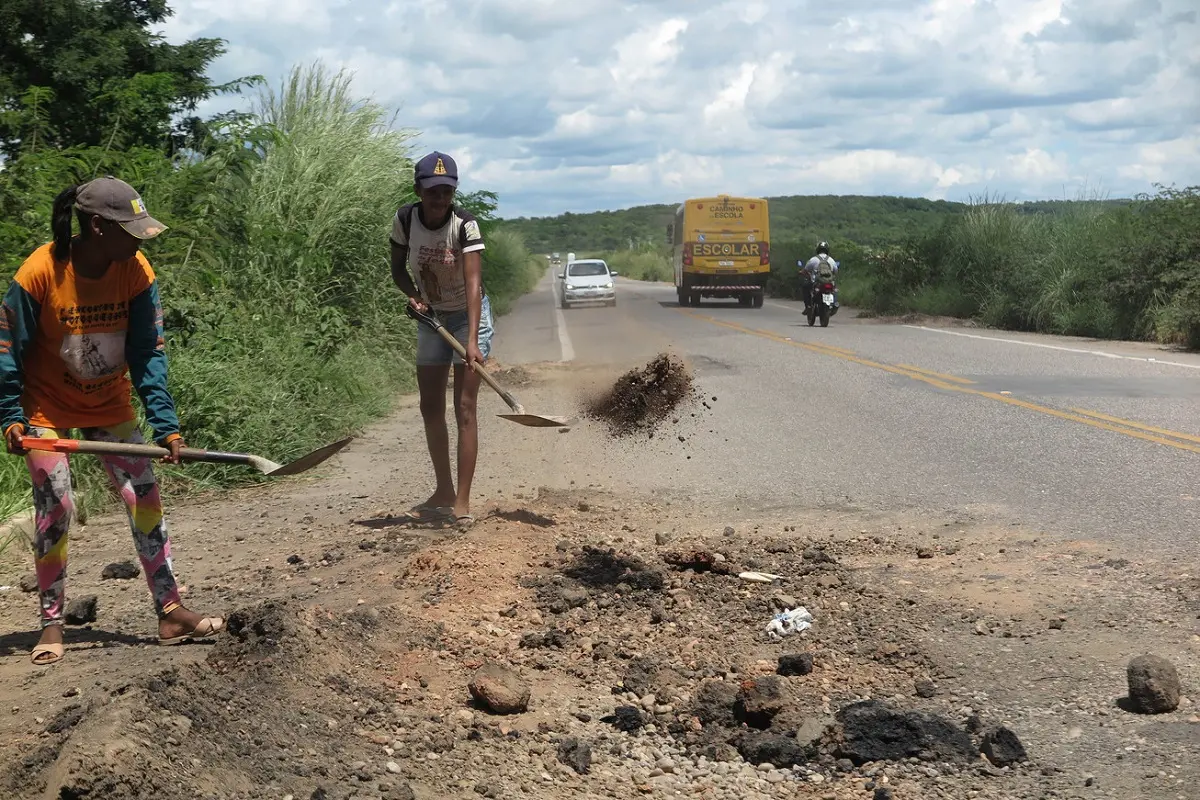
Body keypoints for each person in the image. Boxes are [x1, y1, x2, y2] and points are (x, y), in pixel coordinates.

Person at [0, 176, 225, 665]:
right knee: (55, 504)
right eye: (132, 228)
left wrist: (166, 426)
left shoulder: (136, 270)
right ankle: (52, 623)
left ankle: (170, 610)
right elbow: (7, 350)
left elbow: (148, 353)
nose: (141, 238)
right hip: (46, 407)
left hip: (109, 403)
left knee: (144, 498)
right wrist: (11, 417)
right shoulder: (40, 271)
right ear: (99, 227)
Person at [389, 151, 494, 529]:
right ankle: (443, 491)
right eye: (432, 191)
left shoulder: (465, 225)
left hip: (468, 318)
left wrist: (473, 342)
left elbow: (473, 283)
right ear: (418, 189)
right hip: (431, 317)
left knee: (464, 408)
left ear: (453, 192)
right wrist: (412, 297)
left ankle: (462, 500)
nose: (439, 199)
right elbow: (398, 271)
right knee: (429, 406)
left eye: (447, 191)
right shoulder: (405, 219)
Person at [800, 241, 840, 313]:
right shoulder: (831, 260)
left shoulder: (813, 259)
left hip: (817, 282)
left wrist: (802, 273)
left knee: (805, 287)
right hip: (829, 282)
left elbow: (805, 270)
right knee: (835, 289)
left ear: (818, 249)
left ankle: (808, 306)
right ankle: (835, 303)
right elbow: (836, 271)